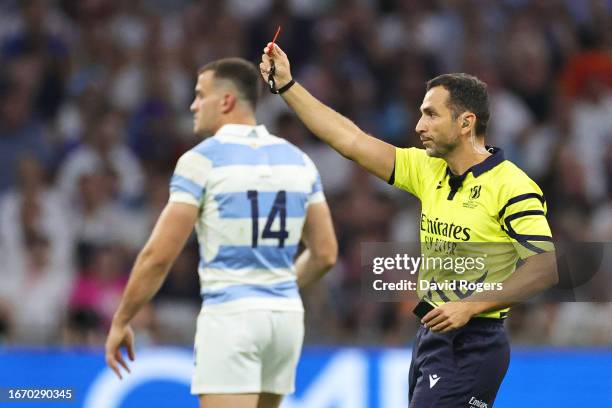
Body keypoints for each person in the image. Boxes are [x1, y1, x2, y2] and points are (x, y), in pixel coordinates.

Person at [260, 44, 557, 407]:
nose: (419, 125)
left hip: (473, 344)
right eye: (420, 114)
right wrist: (288, 86)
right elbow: (350, 141)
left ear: (466, 123)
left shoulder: (512, 186)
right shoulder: (427, 169)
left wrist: (470, 306)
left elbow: (544, 267)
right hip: (431, 337)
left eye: (431, 115)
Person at [105, 57, 338, 408]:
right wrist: (279, 285)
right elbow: (325, 253)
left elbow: (158, 255)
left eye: (200, 95)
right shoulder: (299, 161)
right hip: (285, 320)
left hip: (232, 317)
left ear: (226, 101)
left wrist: (122, 319)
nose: (192, 104)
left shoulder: (202, 160)